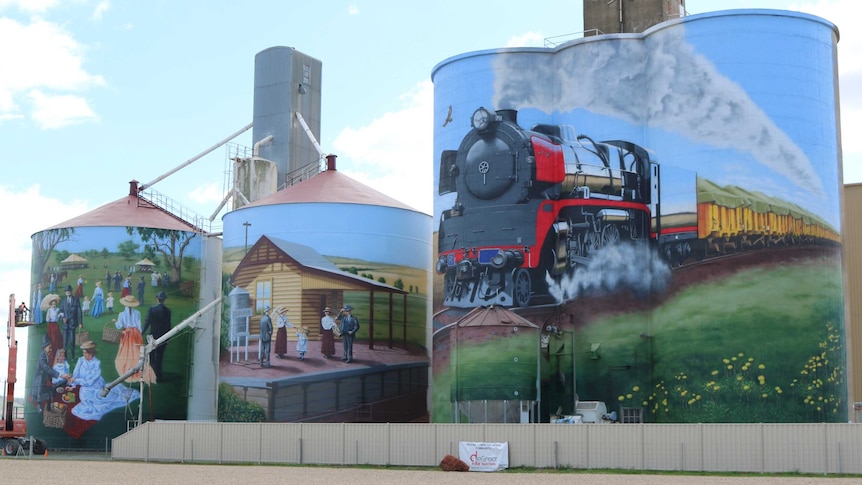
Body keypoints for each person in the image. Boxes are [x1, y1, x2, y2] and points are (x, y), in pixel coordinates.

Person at [70, 340, 141, 421]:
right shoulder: (81, 360)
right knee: (86, 400)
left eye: (85, 353)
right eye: (83, 353)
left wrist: (76, 381)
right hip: (85, 390)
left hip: (96, 387)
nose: (84, 355)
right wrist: (72, 384)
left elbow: (90, 381)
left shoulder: (97, 363)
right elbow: (76, 374)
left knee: (105, 398)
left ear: (91, 353)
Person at [113, 295, 155, 383]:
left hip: (127, 334)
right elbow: (139, 326)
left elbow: (119, 326)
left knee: (126, 352)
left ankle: (129, 369)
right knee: (136, 351)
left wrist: (115, 322)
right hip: (135, 334)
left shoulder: (121, 314)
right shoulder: (137, 313)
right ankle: (136, 368)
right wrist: (139, 334)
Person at [30, 336, 69, 412]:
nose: (50, 350)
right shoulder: (42, 356)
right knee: (40, 392)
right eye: (49, 348)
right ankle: (38, 405)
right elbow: (46, 368)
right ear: (45, 347)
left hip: (43, 378)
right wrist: (60, 375)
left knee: (49, 391)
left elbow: (48, 370)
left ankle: (48, 406)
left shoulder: (45, 355)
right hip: (39, 379)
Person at [142, 291, 171, 382]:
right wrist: (168, 338)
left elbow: (147, 322)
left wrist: (141, 333)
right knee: (159, 356)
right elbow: (168, 326)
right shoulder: (167, 311)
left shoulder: (152, 309)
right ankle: (158, 374)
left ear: (157, 299)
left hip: (153, 336)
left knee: (152, 355)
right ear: (164, 300)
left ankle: (151, 374)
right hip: (163, 337)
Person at [59, 284, 82, 361]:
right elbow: (61, 311)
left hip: (72, 324)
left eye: (69, 291)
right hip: (65, 325)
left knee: (72, 342)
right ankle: (65, 357)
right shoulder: (63, 301)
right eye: (66, 291)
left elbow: (79, 312)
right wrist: (63, 317)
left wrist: (80, 322)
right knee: (64, 343)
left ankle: (72, 356)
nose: (67, 292)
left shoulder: (76, 300)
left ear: (71, 291)